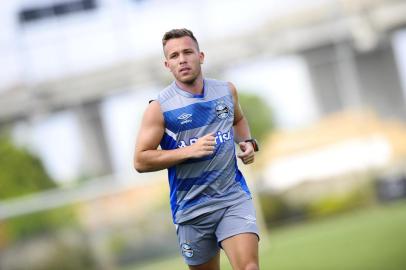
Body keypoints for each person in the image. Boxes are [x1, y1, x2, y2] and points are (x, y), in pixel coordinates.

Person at [134, 28, 260, 270]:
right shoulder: (159, 108)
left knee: (249, 268)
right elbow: (140, 160)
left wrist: (248, 143)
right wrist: (188, 151)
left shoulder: (226, 91)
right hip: (191, 211)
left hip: (231, 199)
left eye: (187, 52)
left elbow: (239, 120)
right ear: (167, 64)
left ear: (200, 56)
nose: (182, 59)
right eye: (174, 56)